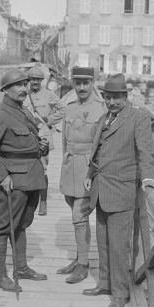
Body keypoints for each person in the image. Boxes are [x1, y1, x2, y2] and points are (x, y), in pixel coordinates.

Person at [83, 74, 154, 307]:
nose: (112, 102)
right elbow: (98, 152)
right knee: (103, 241)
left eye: (116, 98)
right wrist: (88, 176)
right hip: (101, 189)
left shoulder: (138, 118)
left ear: (125, 96)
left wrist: (148, 178)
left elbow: (145, 152)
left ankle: (121, 292)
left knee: (119, 246)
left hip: (123, 191)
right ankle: (105, 283)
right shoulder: (105, 118)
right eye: (108, 98)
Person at [0, 68, 49, 292]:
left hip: (32, 177)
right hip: (14, 181)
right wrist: (1, 176)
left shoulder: (22, 111)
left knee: (22, 223)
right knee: (4, 227)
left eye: (25, 84)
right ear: (5, 90)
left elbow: (24, 140)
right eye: (17, 85)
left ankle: (21, 268)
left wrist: (40, 146)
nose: (23, 88)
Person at [58, 66, 106, 283]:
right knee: (76, 213)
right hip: (70, 166)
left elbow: (103, 144)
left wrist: (94, 171)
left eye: (86, 83)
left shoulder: (102, 109)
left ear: (92, 83)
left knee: (79, 215)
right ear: (73, 84)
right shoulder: (69, 108)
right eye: (77, 83)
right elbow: (64, 141)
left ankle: (83, 265)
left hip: (88, 167)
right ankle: (79, 257)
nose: (81, 87)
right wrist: (64, 162)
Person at [23, 65, 65, 216]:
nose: (35, 82)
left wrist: (49, 119)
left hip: (43, 137)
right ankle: (28, 201)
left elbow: (62, 109)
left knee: (42, 170)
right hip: (26, 137)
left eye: (37, 79)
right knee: (27, 168)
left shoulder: (48, 95)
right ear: (29, 80)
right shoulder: (23, 95)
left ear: (42, 81)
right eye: (32, 79)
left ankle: (43, 201)